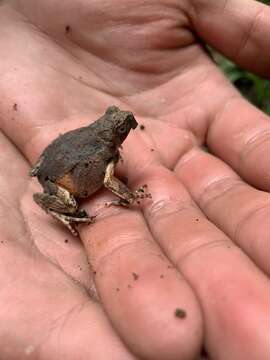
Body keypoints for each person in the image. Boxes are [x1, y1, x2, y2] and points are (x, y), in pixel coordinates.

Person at [0, 0, 270, 359]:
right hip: (60, 181)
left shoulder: (105, 145)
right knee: (66, 200)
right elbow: (110, 183)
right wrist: (132, 197)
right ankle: (67, 213)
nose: (125, 122)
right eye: (120, 124)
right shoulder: (108, 156)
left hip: (56, 157)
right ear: (115, 134)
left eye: (121, 121)